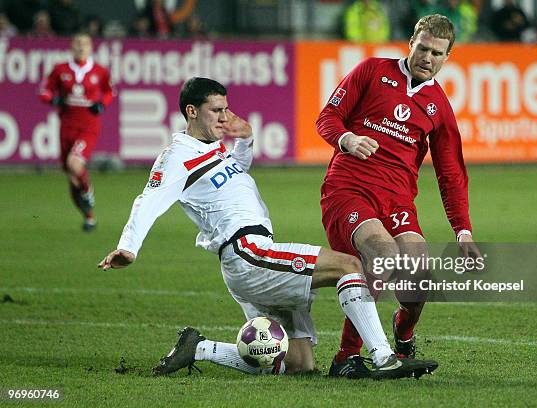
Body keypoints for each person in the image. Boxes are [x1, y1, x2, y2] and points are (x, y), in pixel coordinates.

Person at [97, 77, 438, 379]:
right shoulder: (176, 157)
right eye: (215, 110)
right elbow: (148, 199)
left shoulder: (210, 150)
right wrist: (129, 247)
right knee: (351, 266)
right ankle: (383, 358)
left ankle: (199, 348)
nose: (223, 117)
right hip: (249, 252)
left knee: (299, 362)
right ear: (191, 112)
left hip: (250, 259)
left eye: (226, 109)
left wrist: (245, 139)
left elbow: (236, 173)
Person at [317, 14, 480, 378]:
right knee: (383, 251)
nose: (428, 57)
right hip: (348, 189)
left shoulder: (438, 107)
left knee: (419, 275)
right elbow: (328, 117)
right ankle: (347, 357)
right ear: (410, 43)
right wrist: (347, 139)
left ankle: (403, 335)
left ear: (447, 57)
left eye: (437, 53)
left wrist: (463, 231)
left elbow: (451, 173)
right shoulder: (372, 71)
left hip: (397, 203)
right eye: (422, 48)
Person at [39, 33, 114, 231]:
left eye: (85, 44)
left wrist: (102, 104)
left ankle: (89, 191)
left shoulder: (99, 71)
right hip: (67, 126)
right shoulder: (60, 69)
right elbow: (45, 90)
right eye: (78, 43)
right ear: (72, 46)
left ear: (91, 48)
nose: (81, 47)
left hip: (88, 126)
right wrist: (51, 99)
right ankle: (89, 217)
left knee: (75, 163)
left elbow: (109, 91)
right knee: (72, 177)